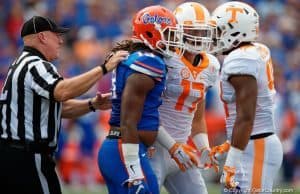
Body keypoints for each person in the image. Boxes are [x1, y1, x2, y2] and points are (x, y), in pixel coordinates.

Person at [0, 16, 128, 194]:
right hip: (28, 156)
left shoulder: (23, 63)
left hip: (18, 156)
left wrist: (92, 104)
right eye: (56, 35)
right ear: (43, 37)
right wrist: (104, 68)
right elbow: (62, 91)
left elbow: (60, 107)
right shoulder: (35, 64)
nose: (61, 40)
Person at [97, 5, 199, 194]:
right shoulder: (148, 63)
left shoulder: (141, 58)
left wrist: (173, 149)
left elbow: (147, 115)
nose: (174, 40)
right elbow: (128, 121)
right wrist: (134, 170)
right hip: (124, 148)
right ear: (152, 33)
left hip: (122, 147)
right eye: (169, 34)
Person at [148, 2, 221, 194]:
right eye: (192, 31)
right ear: (177, 31)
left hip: (183, 149)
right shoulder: (163, 58)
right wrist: (173, 147)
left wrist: (204, 149)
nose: (197, 37)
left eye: (201, 32)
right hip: (153, 147)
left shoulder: (211, 65)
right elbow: (146, 111)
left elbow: (197, 118)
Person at [210, 1, 283, 192]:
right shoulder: (254, 50)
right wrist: (230, 143)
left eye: (220, 30)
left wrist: (231, 162)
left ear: (235, 31)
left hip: (255, 146)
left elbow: (246, 117)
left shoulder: (241, 59)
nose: (215, 36)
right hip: (249, 143)